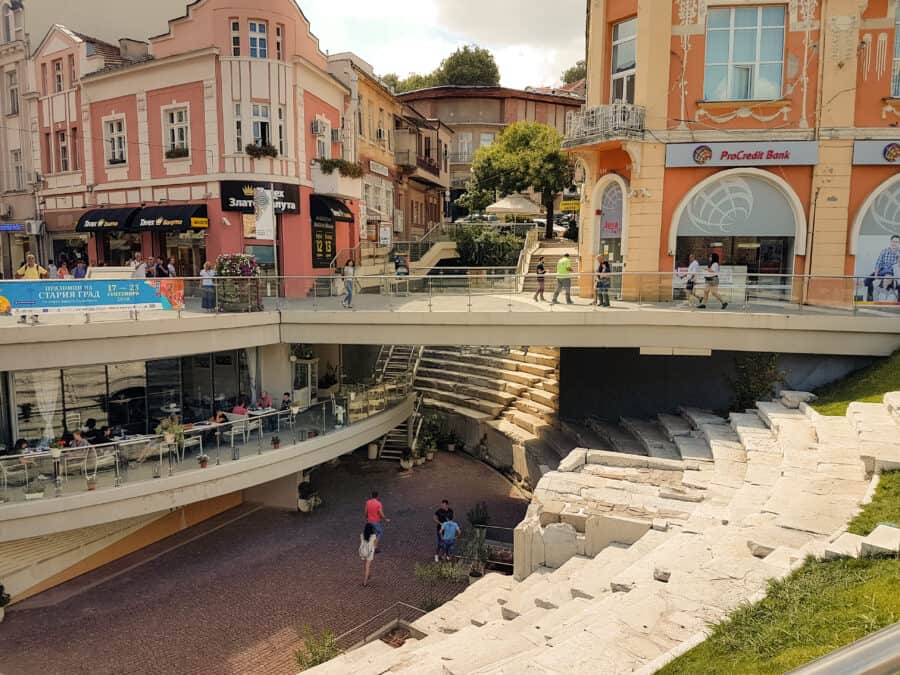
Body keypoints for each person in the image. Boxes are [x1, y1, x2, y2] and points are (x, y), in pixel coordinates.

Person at [867, 235, 900, 303]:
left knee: (894, 284)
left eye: (897, 242)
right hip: (882, 271)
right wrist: (876, 276)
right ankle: (870, 300)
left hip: (892, 272)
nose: (894, 243)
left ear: (899, 243)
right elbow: (878, 263)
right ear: (890, 242)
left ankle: (898, 302)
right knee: (868, 280)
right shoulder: (884, 251)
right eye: (893, 242)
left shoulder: (899, 252)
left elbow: (897, 266)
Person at [359, 522, 378, 586]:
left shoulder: (362, 535)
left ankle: (368, 574)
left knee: (365, 565)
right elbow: (375, 545)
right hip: (369, 553)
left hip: (363, 552)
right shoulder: (373, 536)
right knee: (367, 567)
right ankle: (365, 582)